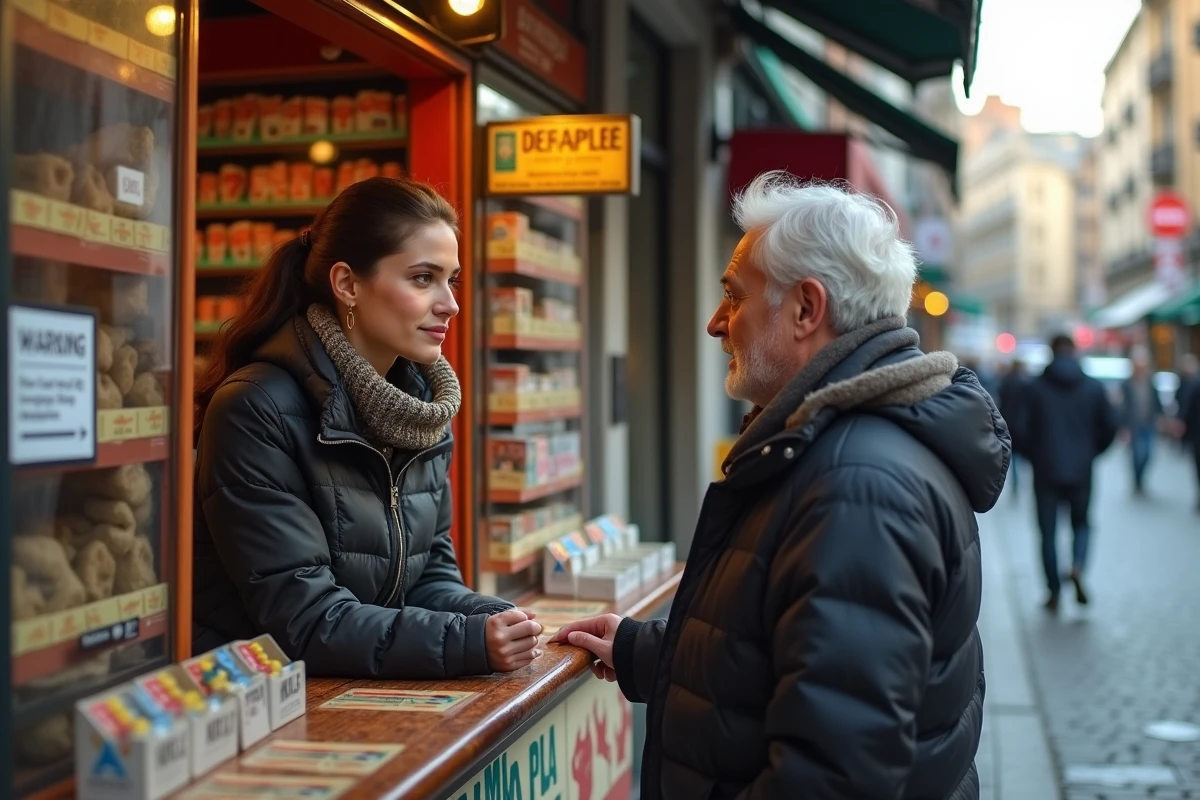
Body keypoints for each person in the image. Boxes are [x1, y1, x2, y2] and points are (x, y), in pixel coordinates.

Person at [553, 172, 1009, 799]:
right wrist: (647, 652)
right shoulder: (847, 453)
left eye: (734, 296)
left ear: (806, 309)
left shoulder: (856, 486)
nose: (716, 323)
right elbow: (798, 658)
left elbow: (831, 775)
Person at [192, 177, 542, 677]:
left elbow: (427, 580)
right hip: (256, 699)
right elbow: (306, 619)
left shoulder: (420, 412)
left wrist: (499, 620)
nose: (450, 303)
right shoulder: (256, 408)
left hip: (353, 689)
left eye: (452, 280)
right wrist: (468, 640)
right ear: (348, 285)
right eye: (423, 278)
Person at [1012, 334, 1119, 612]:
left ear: (1051, 352)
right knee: (1081, 523)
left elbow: (1019, 430)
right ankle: (1078, 566)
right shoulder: (1093, 387)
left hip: (1045, 470)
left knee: (1047, 533)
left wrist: (1035, 456)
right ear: (1074, 351)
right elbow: (1111, 426)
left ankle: (1054, 591)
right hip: (1082, 470)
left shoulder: (1034, 388)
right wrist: (1091, 452)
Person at [1119, 348, 1164, 495]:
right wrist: (1124, 428)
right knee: (1137, 454)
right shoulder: (1127, 384)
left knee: (1148, 454)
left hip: (1149, 424)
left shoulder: (1150, 382)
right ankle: (1137, 481)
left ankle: (1141, 479)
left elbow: (1157, 402)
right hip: (1134, 426)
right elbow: (1123, 408)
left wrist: (1161, 418)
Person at [997, 359, 1029, 498]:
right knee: (1019, 457)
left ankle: (1015, 483)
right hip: (1021, 424)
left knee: (1013, 456)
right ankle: (1020, 481)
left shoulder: (1006, 382)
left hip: (1007, 423)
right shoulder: (1025, 383)